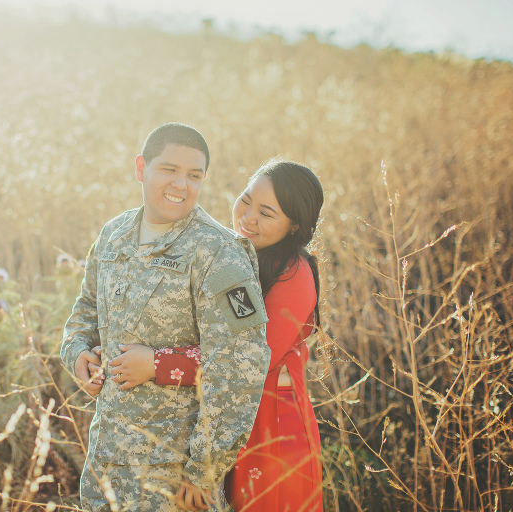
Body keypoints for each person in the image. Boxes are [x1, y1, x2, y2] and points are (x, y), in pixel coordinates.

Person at [60, 123, 271, 512]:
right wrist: (76, 354)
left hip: (173, 480)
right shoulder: (113, 235)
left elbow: (242, 365)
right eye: (169, 170)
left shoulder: (218, 252)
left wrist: (204, 471)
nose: (181, 185)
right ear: (141, 168)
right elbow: (85, 308)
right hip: (104, 470)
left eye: (194, 175)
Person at [96, 159, 325, 512]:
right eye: (246, 200)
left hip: (270, 426)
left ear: (294, 225)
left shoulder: (293, 274)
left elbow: (249, 358)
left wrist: (156, 364)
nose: (248, 217)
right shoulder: (225, 252)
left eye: (266, 213)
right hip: (224, 417)